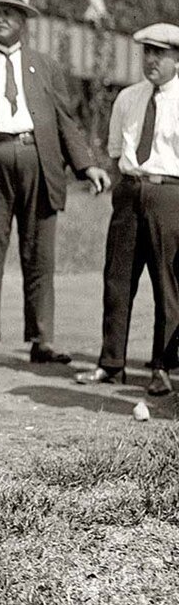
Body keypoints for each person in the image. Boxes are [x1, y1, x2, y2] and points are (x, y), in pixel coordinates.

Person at [0, 0, 110, 367]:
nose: (1, 18)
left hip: (38, 160)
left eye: (11, 13)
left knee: (40, 256)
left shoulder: (46, 66)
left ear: (24, 22)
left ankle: (41, 340)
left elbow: (66, 121)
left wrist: (87, 165)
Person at [76, 22, 179, 396]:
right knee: (117, 280)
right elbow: (117, 149)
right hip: (129, 190)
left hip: (169, 193)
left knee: (168, 284)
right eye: (147, 52)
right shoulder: (128, 98)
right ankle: (111, 363)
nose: (151, 60)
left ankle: (163, 367)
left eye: (160, 54)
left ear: (176, 59)